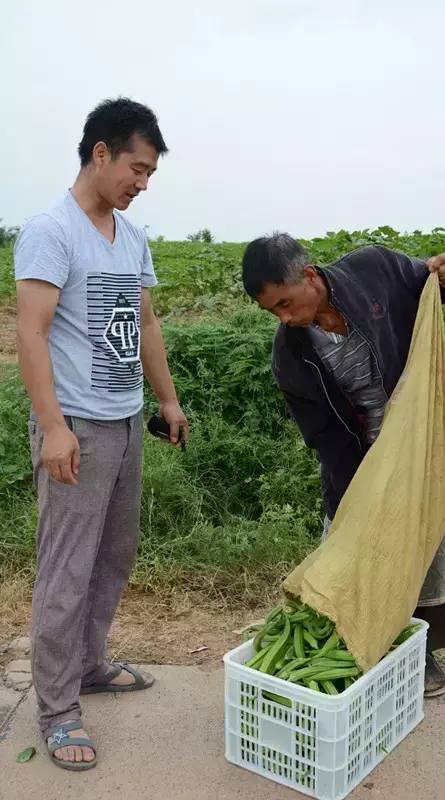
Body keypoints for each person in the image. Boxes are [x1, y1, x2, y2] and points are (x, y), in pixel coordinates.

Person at [15, 98, 188, 770]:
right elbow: (28, 332)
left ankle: (87, 665)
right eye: (136, 168)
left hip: (122, 419)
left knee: (112, 556)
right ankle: (57, 709)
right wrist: (54, 428)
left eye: (149, 173)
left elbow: (144, 323)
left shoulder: (130, 236)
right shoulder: (51, 231)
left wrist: (167, 400)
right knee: (67, 567)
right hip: (76, 425)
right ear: (100, 153)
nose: (142, 182)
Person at [242, 233, 445, 697]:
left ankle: (418, 649)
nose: (284, 318)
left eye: (285, 303)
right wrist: (360, 495)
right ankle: (359, 645)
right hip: (358, 459)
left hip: (418, 440)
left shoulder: (374, 268)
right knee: (349, 553)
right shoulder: (290, 354)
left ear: (308, 276)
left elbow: (428, 283)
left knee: (428, 547)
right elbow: (323, 435)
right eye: (273, 312)